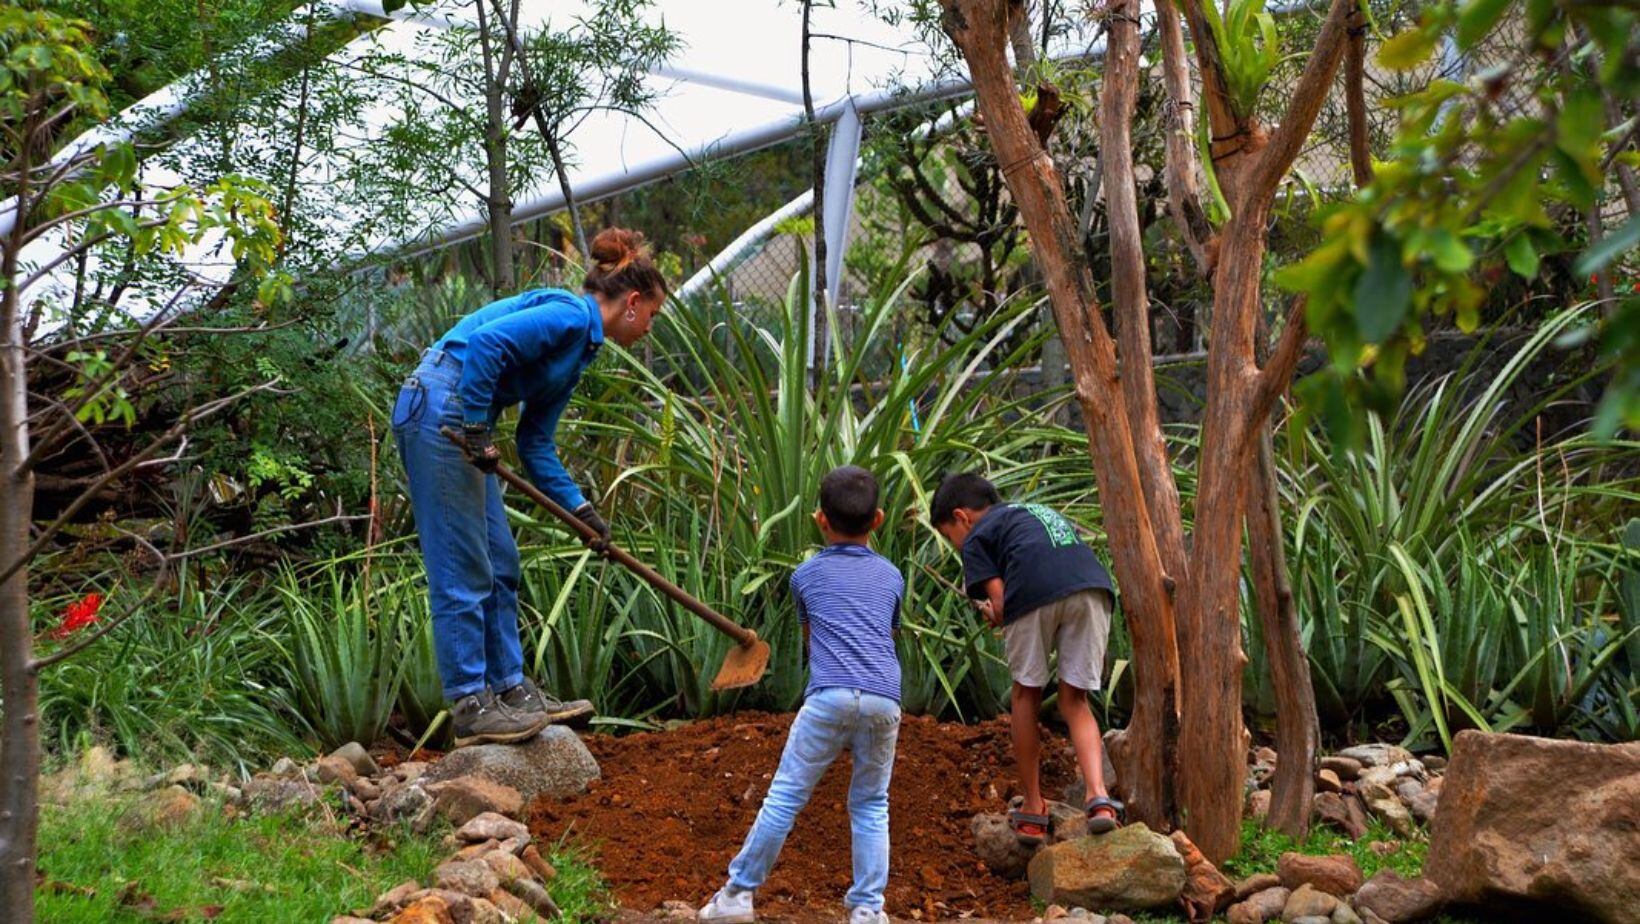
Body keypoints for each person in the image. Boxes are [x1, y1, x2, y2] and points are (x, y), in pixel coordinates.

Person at [392, 228, 668, 747]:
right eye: (651, 315)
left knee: (501, 563)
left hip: (464, 415)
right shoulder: (568, 315)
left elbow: (536, 442)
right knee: (463, 563)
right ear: (632, 303)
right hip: (441, 410)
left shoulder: (580, 349)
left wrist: (580, 510)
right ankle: (471, 704)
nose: (649, 328)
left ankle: (511, 690)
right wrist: (475, 425)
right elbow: (487, 345)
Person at [698, 466, 904, 924]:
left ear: (819, 519)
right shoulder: (892, 577)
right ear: (879, 520)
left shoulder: (805, 576)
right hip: (884, 699)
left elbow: (812, 640)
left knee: (786, 796)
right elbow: (888, 635)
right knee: (871, 803)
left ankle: (736, 898)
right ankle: (868, 910)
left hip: (829, 695)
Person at [929, 473, 1121, 842]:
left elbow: (1002, 601)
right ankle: (1099, 797)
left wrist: (994, 611)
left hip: (1035, 593)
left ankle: (1033, 808)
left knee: (1025, 695)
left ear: (962, 517)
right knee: (1075, 699)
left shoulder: (976, 538)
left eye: (947, 534)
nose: (954, 544)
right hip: (1094, 590)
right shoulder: (1035, 512)